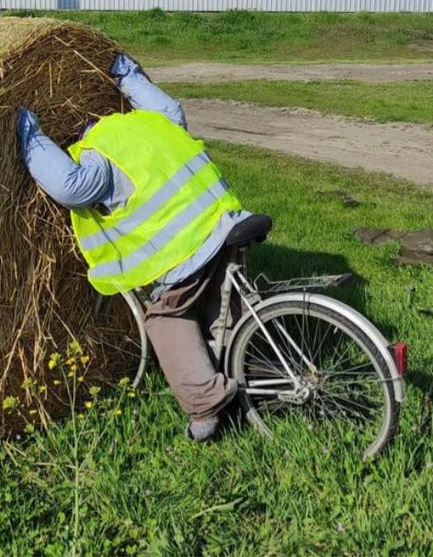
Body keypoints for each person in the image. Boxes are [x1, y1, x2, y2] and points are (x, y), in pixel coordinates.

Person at [17, 53, 256, 442]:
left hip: (186, 249)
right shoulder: (152, 123)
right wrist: (126, 75)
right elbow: (170, 106)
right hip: (225, 220)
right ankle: (254, 367)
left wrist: (31, 137)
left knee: (165, 317)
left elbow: (68, 187)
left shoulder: (100, 156)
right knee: (220, 299)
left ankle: (206, 407)